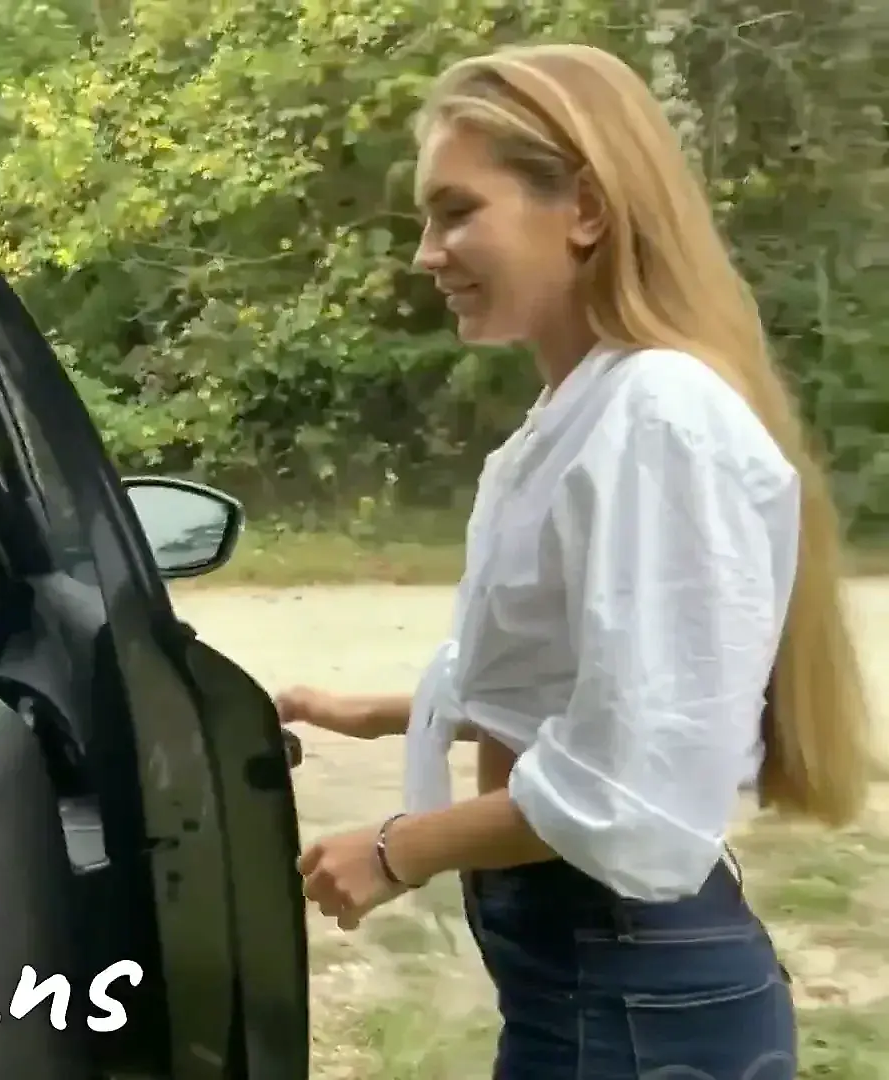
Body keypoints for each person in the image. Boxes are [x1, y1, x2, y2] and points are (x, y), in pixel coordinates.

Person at [276, 42, 876, 1079]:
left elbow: (635, 784)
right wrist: (397, 710)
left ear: (586, 207)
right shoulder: (584, 410)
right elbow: (603, 686)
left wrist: (395, 849)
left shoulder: (659, 417)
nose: (427, 254)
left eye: (457, 211)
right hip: (600, 985)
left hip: (636, 1006)